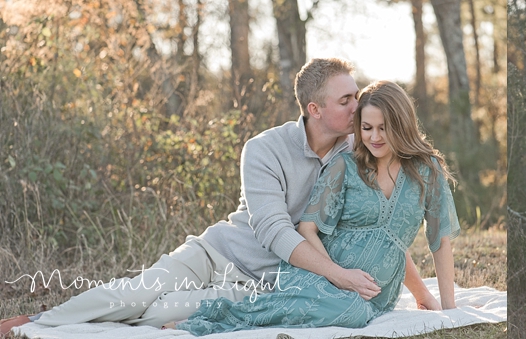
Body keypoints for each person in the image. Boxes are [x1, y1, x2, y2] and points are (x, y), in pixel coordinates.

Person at [0, 58, 437, 336]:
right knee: (135, 294)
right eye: (347, 100)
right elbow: (272, 229)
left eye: (356, 98)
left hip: (264, 284)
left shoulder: (356, 154)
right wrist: (339, 275)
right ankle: (37, 323)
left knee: (158, 315)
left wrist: (418, 291)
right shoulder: (264, 148)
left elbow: (383, 230)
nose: (358, 109)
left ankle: (60, 323)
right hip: (216, 254)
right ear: (314, 109)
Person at [175, 80, 460, 336]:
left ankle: (227, 311)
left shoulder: (427, 172)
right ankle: (212, 318)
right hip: (319, 275)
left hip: (375, 293)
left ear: (402, 125)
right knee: (350, 311)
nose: (375, 137)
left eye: (384, 128)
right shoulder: (346, 166)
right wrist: (335, 275)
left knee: (356, 311)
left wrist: (449, 311)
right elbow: (307, 228)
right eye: (367, 127)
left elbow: (440, 241)